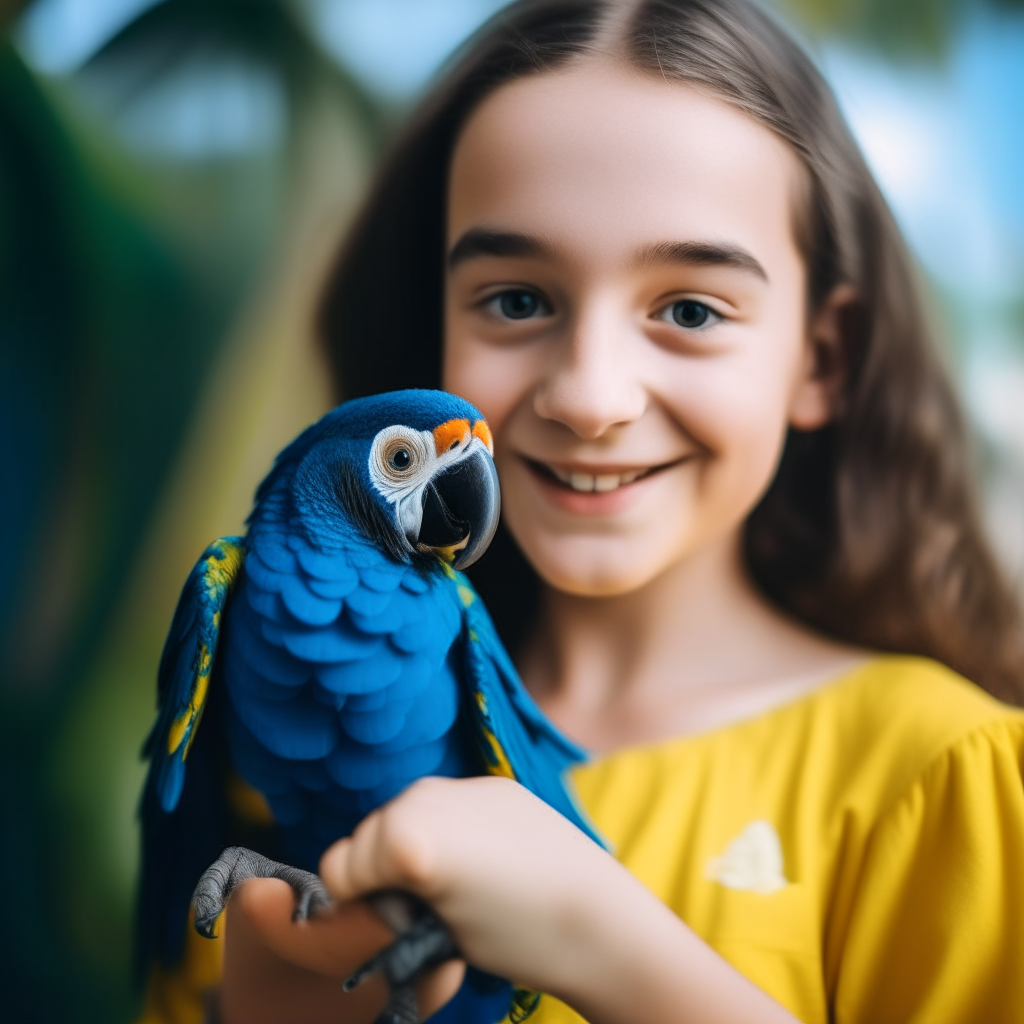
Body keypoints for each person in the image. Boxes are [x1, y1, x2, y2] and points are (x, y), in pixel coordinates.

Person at [146, 1, 1024, 1022]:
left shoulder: (946, 774)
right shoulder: (280, 708)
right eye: (516, 299)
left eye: (690, 310)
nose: (589, 395)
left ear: (818, 358)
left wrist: (605, 944)